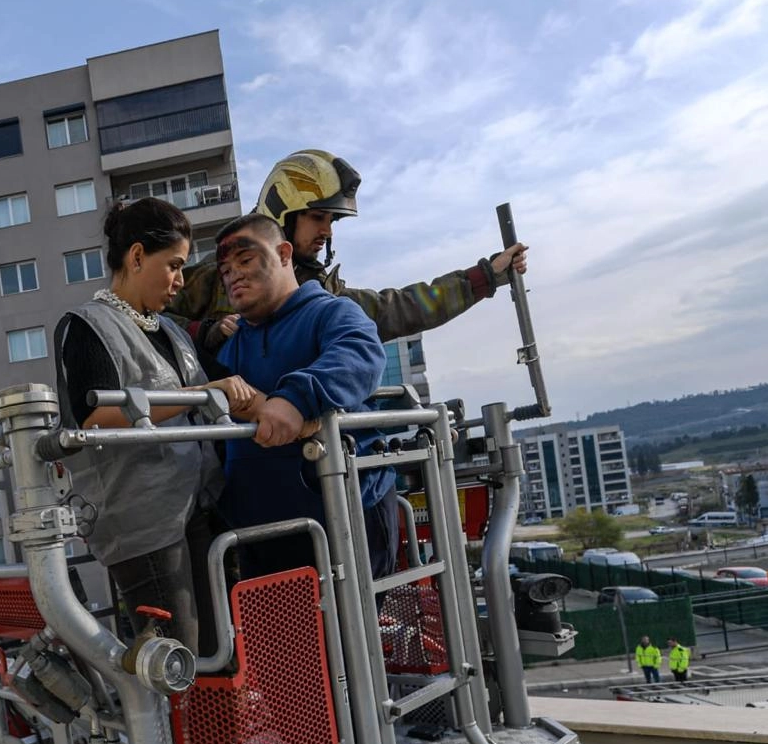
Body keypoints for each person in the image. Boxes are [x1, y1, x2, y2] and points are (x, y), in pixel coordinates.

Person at [55, 196, 258, 657]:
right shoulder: (86, 327)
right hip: (141, 523)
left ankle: (212, 709)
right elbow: (94, 418)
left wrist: (289, 410)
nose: (180, 281)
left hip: (196, 504)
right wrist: (201, 394)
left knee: (220, 650)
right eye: (174, 265)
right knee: (178, 657)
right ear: (137, 256)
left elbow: (225, 389)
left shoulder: (172, 331)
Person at [167, 149, 527, 369]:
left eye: (331, 221)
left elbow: (396, 309)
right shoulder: (214, 278)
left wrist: (483, 277)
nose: (327, 231)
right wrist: (203, 333)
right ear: (282, 213)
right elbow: (145, 317)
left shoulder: (323, 295)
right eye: (317, 218)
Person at [210, 211, 396, 580]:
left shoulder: (331, 311)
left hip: (343, 517)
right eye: (226, 270)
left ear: (283, 254)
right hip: (260, 533)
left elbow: (360, 353)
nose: (234, 276)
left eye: (245, 260)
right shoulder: (230, 349)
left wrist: (296, 398)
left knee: (350, 618)